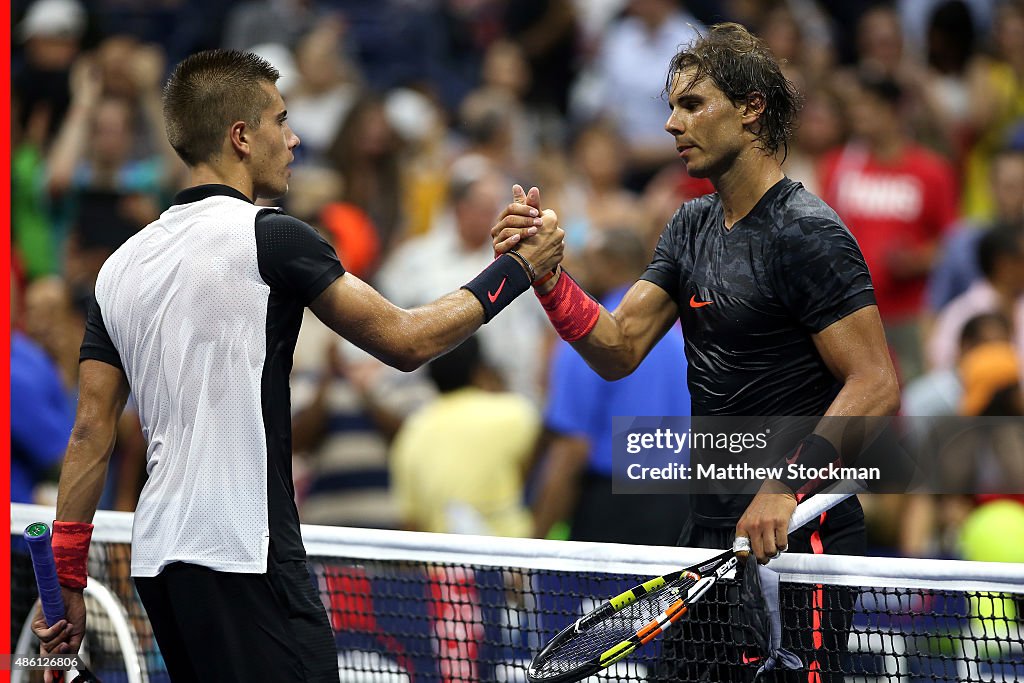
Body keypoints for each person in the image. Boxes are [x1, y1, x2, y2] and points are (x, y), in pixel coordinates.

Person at [32, 48, 564, 682]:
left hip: (159, 564)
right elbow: (406, 340)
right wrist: (518, 272)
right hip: (245, 553)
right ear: (241, 136)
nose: (294, 137)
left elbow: (90, 433)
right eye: (280, 121)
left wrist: (64, 576)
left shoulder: (119, 266)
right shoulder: (273, 235)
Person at [495, 23, 900, 681]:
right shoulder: (688, 226)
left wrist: (785, 486)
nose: (669, 123)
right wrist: (547, 278)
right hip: (711, 532)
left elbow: (876, 384)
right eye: (670, 106)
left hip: (798, 531)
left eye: (691, 104)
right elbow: (619, 347)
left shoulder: (810, 234)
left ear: (750, 109)